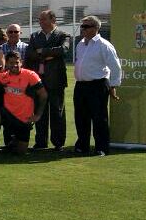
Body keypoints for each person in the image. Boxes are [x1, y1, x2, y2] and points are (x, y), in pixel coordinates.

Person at [73, 15, 122, 156]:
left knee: (99, 117)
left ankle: (101, 147)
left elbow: (116, 66)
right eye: (82, 26)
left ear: (96, 28)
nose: (82, 29)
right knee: (81, 117)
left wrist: (113, 86)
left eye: (86, 26)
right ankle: (82, 145)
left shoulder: (104, 45)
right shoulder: (80, 44)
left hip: (98, 85)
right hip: (81, 85)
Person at [25, 10, 71, 151]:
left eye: (43, 19)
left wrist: (42, 52)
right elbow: (29, 54)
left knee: (57, 112)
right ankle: (41, 142)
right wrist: (48, 54)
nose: (41, 22)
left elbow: (63, 50)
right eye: (40, 19)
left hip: (56, 80)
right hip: (39, 81)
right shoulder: (34, 36)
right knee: (40, 112)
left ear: (53, 20)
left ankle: (58, 143)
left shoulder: (63, 35)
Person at [0, 51, 48, 155]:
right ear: (6, 63)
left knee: (21, 152)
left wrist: (38, 115)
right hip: (7, 115)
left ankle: (13, 142)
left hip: (24, 119)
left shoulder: (30, 75)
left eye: (16, 62)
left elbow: (43, 95)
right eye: (11, 62)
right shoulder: (1, 77)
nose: (14, 65)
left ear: (21, 62)